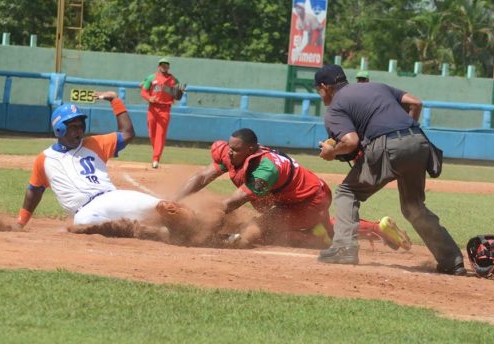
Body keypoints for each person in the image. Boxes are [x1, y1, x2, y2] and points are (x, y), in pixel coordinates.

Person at [313, 64, 466, 275]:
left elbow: (350, 141)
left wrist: (332, 152)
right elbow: (415, 103)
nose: (320, 94)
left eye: (318, 90)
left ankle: (344, 247)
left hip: (386, 145)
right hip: (418, 141)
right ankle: (452, 260)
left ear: (324, 87)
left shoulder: (335, 108)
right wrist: (404, 132)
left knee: (348, 191)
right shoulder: (376, 86)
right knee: (413, 206)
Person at [173, 128, 410, 250]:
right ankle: (379, 228)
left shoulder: (266, 169)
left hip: (310, 200)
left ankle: (318, 238)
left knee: (263, 231)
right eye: (229, 148)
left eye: (236, 150)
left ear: (252, 150)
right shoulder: (231, 152)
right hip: (300, 195)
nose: (229, 153)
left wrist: (200, 222)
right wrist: (175, 198)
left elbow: (233, 203)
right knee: (326, 227)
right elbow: (202, 177)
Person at [12, 91, 181, 241]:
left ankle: (199, 227)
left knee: (164, 207)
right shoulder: (45, 159)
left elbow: (127, 133)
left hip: (113, 198)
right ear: (59, 129)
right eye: (73, 127)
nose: (79, 131)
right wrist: (21, 222)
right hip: (84, 211)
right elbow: (34, 191)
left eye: (80, 126)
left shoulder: (94, 143)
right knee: (83, 223)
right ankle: (151, 232)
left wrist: (115, 100)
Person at [140, 57, 185, 169]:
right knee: (152, 134)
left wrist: (180, 92)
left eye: (166, 65)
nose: (164, 66)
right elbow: (143, 91)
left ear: (168, 67)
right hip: (153, 108)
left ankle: (156, 159)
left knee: (160, 134)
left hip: (165, 108)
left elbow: (178, 95)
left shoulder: (173, 80)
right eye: (162, 64)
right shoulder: (152, 77)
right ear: (158, 66)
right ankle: (156, 152)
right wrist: (149, 98)